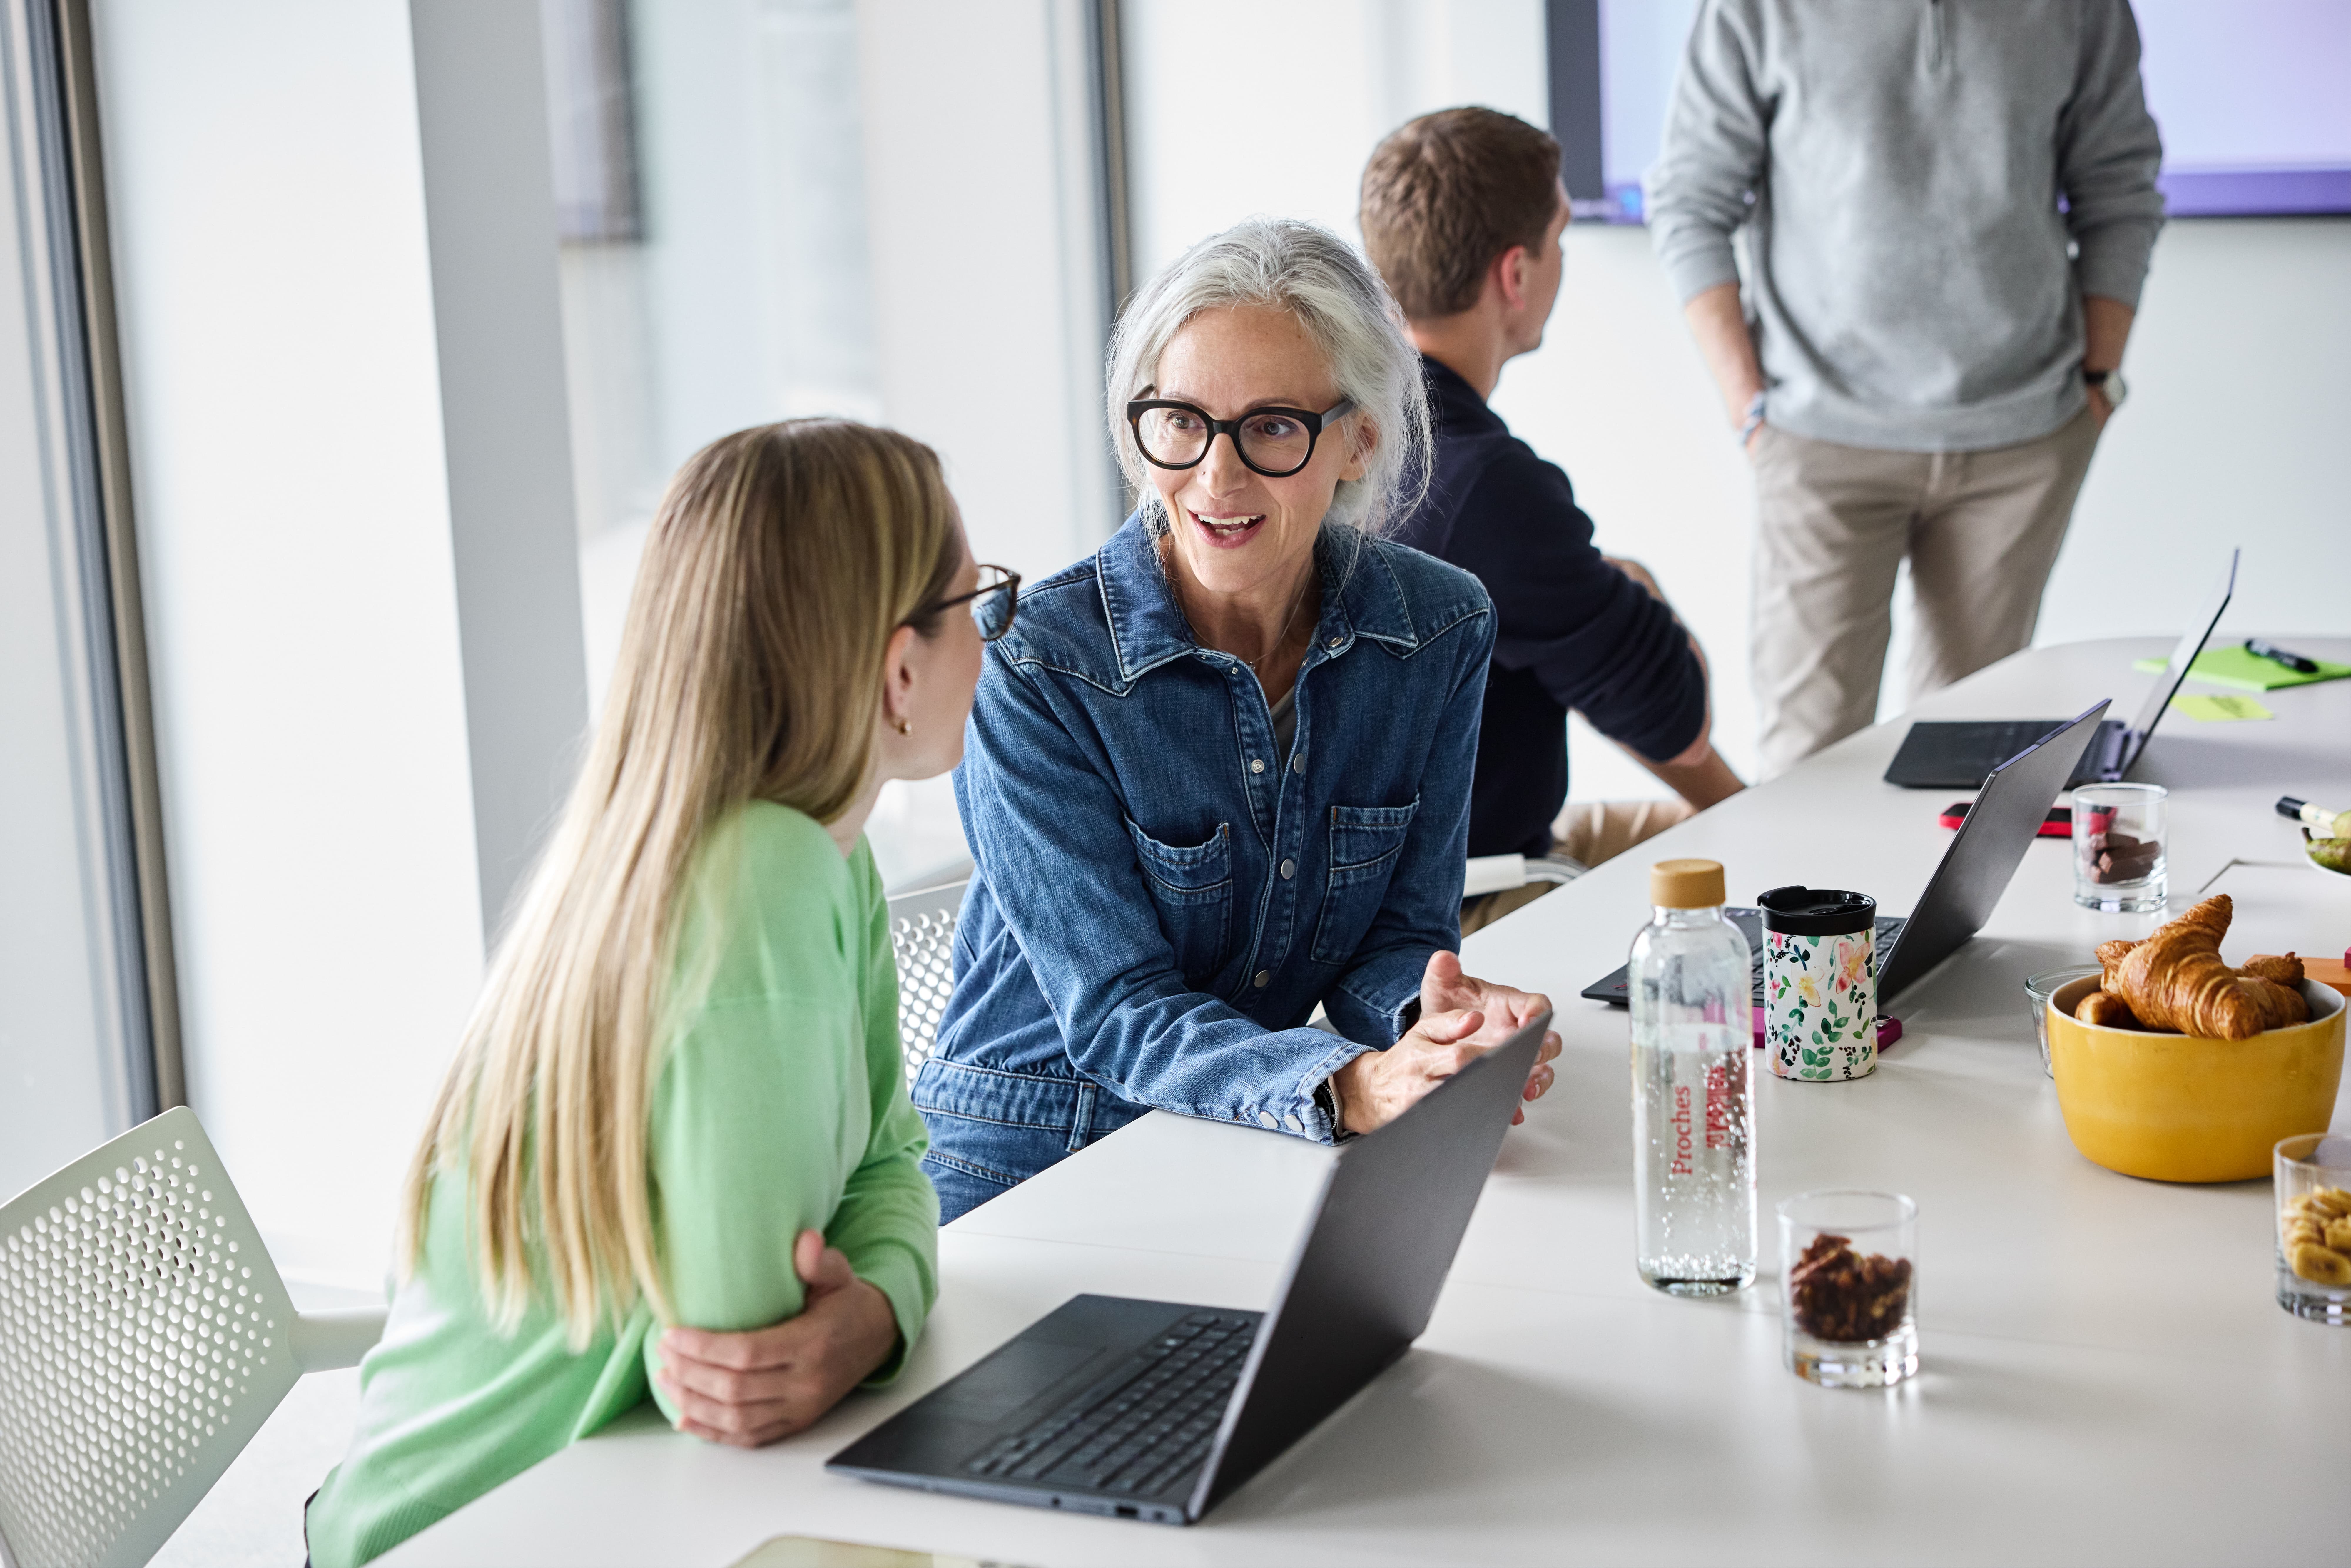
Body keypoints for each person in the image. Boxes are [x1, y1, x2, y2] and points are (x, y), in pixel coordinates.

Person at [306, 421, 990, 1564]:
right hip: (480, 1534)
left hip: (560, 1507)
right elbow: (735, 1378)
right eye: (979, 605)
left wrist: (873, 1309)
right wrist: (861, 1306)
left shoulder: (818, 856)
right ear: (898, 667)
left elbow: (891, 1163)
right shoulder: (755, 877)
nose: (992, 642)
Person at [915, 218, 1562, 1223]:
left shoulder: (1438, 630)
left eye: (1271, 428)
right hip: (1025, 1167)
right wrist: (1352, 1086)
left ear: (1358, 439)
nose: (1216, 478)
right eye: (1181, 421)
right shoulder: (1035, 663)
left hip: (1236, 1146)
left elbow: (1396, 941)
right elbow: (1121, 1014)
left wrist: (1434, 1026)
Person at [1649, 0, 2165, 777]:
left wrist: (2099, 378)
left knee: (1974, 759)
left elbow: (2120, 190)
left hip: (2021, 440)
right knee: (1809, 759)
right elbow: (1691, 200)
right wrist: (1746, 400)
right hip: (1820, 435)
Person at [1359, 107, 1744, 932]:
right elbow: (1677, 717)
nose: (1564, 259)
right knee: (1768, 868)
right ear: (1516, 275)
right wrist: (1631, 580)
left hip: (1427, 871)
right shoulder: (1487, 488)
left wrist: (1751, 810)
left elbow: (1614, 683)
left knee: (1754, 834)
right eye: (1560, 238)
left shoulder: (1348, 438)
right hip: (1471, 904)